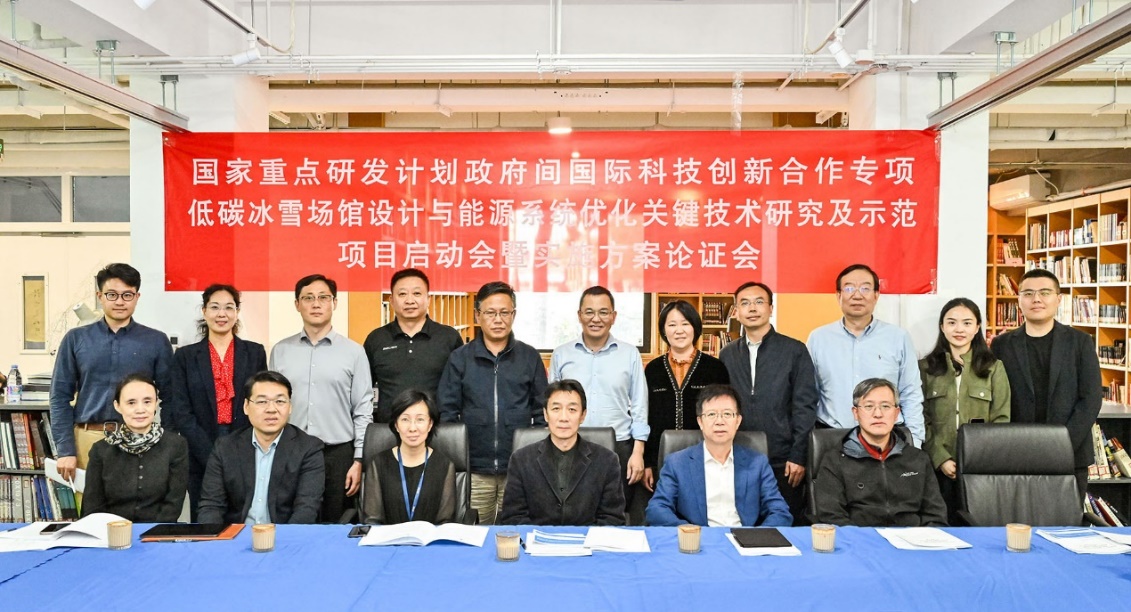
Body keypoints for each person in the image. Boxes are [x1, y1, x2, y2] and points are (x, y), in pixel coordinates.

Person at [51, 263, 174, 483]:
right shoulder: (76, 339)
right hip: (87, 438)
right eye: (112, 294)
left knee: (137, 503)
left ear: (137, 297)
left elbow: (171, 397)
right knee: (88, 504)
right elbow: (59, 396)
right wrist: (65, 450)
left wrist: (163, 443)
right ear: (100, 296)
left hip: (139, 438)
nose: (119, 301)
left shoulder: (156, 341)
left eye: (127, 295)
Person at [438, 281, 547, 524]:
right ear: (477, 316)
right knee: (476, 532)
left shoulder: (529, 357)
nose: (498, 319)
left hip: (520, 468)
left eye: (504, 312)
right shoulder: (460, 358)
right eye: (490, 312)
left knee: (517, 531)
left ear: (513, 315)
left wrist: (532, 457)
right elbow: (447, 412)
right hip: (475, 469)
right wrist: (461, 458)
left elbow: (542, 412)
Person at [991, 268, 1102, 499]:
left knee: (1065, 519)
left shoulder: (1080, 342)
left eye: (1044, 292)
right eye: (1028, 293)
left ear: (1058, 299)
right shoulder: (1001, 345)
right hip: (1017, 452)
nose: (1036, 299)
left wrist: (1062, 443)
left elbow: (1091, 399)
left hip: (1069, 454)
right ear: (1019, 300)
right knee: (1020, 516)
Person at [270, 273, 373, 522]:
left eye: (323, 297)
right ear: (297, 304)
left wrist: (358, 459)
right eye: (308, 298)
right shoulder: (281, 351)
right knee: (292, 523)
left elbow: (363, 409)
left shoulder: (354, 352)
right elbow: (271, 406)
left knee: (336, 523)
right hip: (290, 451)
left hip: (338, 455)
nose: (316, 304)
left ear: (334, 303)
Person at [164, 283, 267, 520]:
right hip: (199, 446)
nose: (222, 314)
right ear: (204, 311)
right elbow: (181, 410)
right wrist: (208, 452)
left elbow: (259, 402)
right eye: (215, 307)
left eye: (229, 307)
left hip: (245, 445)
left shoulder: (254, 353)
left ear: (237, 312)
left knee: (243, 516)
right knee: (205, 516)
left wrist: (237, 448)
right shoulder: (186, 356)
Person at [718, 282, 817, 524]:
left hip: (783, 460)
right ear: (736, 312)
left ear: (771, 308)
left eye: (759, 302)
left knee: (783, 525)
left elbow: (805, 406)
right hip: (738, 456)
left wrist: (798, 455)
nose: (752, 308)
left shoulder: (794, 350)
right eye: (745, 303)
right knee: (740, 523)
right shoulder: (727, 354)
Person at [549, 286, 648, 518]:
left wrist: (638, 452)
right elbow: (552, 404)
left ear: (613, 316)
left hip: (618, 447)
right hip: (570, 446)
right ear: (579, 315)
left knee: (614, 514)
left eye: (603, 312)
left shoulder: (630, 354)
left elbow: (640, 405)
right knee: (571, 513)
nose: (596, 319)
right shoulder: (562, 354)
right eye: (589, 312)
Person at [807, 263, 925, 446]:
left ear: (876, 295)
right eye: (849, 288)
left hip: (886, 438)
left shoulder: (898, 337)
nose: (857, 295)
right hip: (832, 437)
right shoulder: (818, 338)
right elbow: (808, 396)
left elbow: (911, 393)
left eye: (865, 288)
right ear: (838, 295)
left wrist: (915, 441)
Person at [645, 383, 792, 527]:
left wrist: (755, 537)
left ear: (738, 421)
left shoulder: (757, 463)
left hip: (744, 537)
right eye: (711, 414)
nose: (719, 421)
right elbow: (656, 509)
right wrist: (688, 531)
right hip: (700, 538)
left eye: (727, 414)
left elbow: (780, 512)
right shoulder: (677, 463)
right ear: (700, 421)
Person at [919, 298, 1011, 523]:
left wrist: (976, 459)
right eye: (952, 322)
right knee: (940, 526)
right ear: (942, 327)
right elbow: (921, 417)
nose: (959, 329)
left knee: (977, 526)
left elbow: (1001, 419)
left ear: (977, 327)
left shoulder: (994, 368)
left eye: (967, 323)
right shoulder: (926, 368)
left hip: (979, 467)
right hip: (937, 466)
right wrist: (941, 458)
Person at [813, 378, 947, 527]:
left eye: (885, 406)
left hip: (912, 538)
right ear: (856, 413)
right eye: (869, 406)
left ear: (896, 413)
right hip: (860, 538)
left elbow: (935, 516)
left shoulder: (918, 459)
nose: (878, 414)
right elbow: (832, 518)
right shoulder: (835, 460)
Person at [198, 371, 325, 524]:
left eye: (280, 401)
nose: (271, 409)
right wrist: (217, 537)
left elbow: (306, 508)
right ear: (246, 406)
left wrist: (284, 538)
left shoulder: (308, 448)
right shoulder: (225, 447)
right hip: (237, 534)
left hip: (284, 535)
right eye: (262, 402)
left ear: (290, 407)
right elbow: (211, 506)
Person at [499, 380, 625, 526]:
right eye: (556, 409)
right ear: (545, 414)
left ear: (583, 415)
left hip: (587, 539)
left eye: (572, 409)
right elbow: (513, 517)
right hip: (537, 539)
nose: (563, 418)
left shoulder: (607, 461)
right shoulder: (521, 460)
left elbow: (613, 518)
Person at [643, 300, 730, 493]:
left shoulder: (715, 368)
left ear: (695, 327)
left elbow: (725, 415)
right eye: (672, 325)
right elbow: (647, 417)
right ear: (664, 330)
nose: (679, 330)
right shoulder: (653, 369)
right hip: (661, 459)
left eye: (685, 324)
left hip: (706, 457)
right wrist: (647, 462)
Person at [81, 374, 189, 522]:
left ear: (156, 403)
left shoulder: (176, 445)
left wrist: (153, 532)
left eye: (147, 402)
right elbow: (92, 506)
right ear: (117, 406)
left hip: (158, 531)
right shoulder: (101, 450)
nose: (140, 409)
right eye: (131, 403)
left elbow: (174, 503)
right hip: (111, 531)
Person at [364, 268, 464, 423]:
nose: (409, 300)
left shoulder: (449, 337)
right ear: (391, 300)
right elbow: (363, 391)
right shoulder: (376, 339)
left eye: (417, 293)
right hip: (388, 429)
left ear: (428, 299)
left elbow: (460, 389)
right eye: (402, 294)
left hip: (438, 429)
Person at [361, 389, 456, 524]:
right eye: (405, 419)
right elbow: (373, 520)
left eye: (420, 419)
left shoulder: (444, 465)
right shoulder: (378, 463)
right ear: (396, 424)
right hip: (389, 537)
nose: (412, 428)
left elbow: (445, 521)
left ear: (430, 424)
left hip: (430, 537)